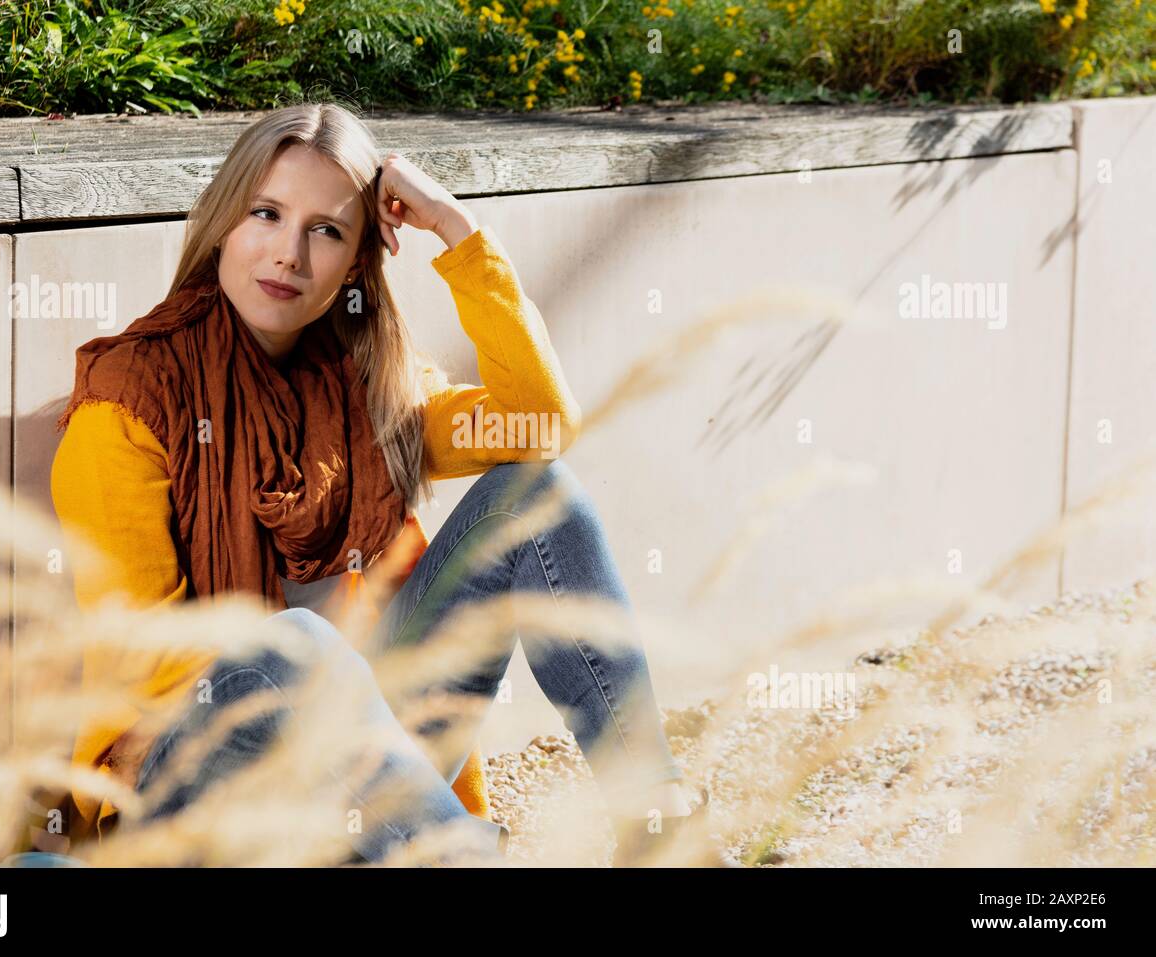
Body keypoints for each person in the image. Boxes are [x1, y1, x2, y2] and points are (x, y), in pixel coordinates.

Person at [50, 101, 701, 866]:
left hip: (368, 771)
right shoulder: (131, 400)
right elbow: (152, 665)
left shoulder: (369, 384)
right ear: (225, 221)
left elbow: (537, 426)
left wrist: (456, 231)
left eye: (326, 229)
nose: (288, 253)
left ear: (359, 258)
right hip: (190, 786)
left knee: (536, 495)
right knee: (293, 645)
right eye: (266, 213)